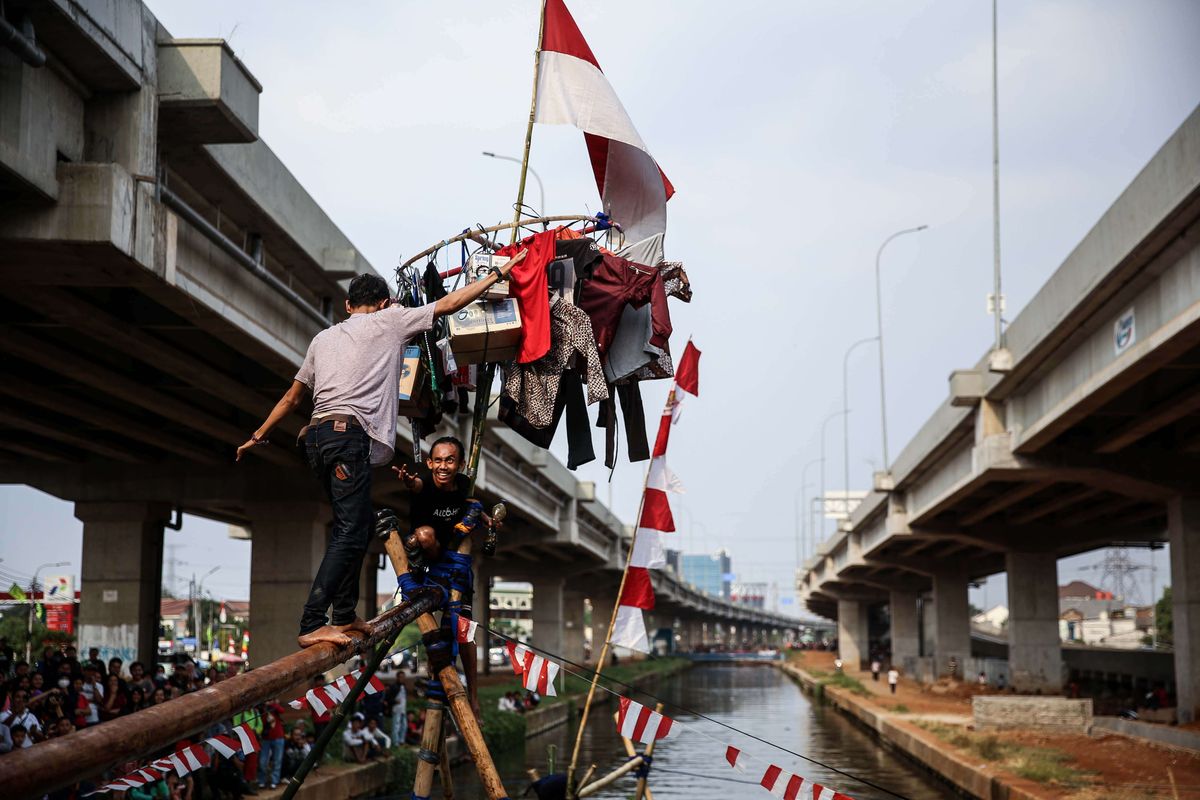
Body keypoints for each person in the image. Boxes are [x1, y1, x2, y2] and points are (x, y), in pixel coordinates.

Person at [236, 266, 520, 649]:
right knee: (351, 531)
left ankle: (344, 614)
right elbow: (450, 304)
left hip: (318, 439)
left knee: (354, 526)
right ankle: (311, 622)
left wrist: (258, 435)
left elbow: (293, 397)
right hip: (347, 437)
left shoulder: (323, 338)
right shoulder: (391, 320)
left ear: (349, 304)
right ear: (384, 303)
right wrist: (493, 277)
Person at [393, 436, 493, 718]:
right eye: (438, 460)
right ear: (429, 462)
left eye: (450, 460)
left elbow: (470, 501)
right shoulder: (424, 487)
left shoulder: (462, 487)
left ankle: (473, 695)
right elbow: (418, 486)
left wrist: (484, 517)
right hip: (428, 559)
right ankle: (437, 681)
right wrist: (408, 482)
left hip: (455, 566)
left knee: (464, 633)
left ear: (460, 464)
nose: (443, 466)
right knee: (423, 535)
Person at [257, 701, 286, 789]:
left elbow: (282, 710)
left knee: (277, 760)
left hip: (278, 737)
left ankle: (274, 781)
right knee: (262, 761)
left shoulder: (274, 707)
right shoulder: (260, 710)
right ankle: (262, 781)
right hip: (265, 739)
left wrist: (272, 704)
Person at [386, 679, 407, 751]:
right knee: (396, 726)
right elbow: (388, 698)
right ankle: (395, 743)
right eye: (400, 677)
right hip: (396, 709)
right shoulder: (394, 687)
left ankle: (401, 741)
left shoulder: (403, 686)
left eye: (403, 677)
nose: (402, 678)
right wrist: (395, 701)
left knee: (404, 726)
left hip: (403, 710)